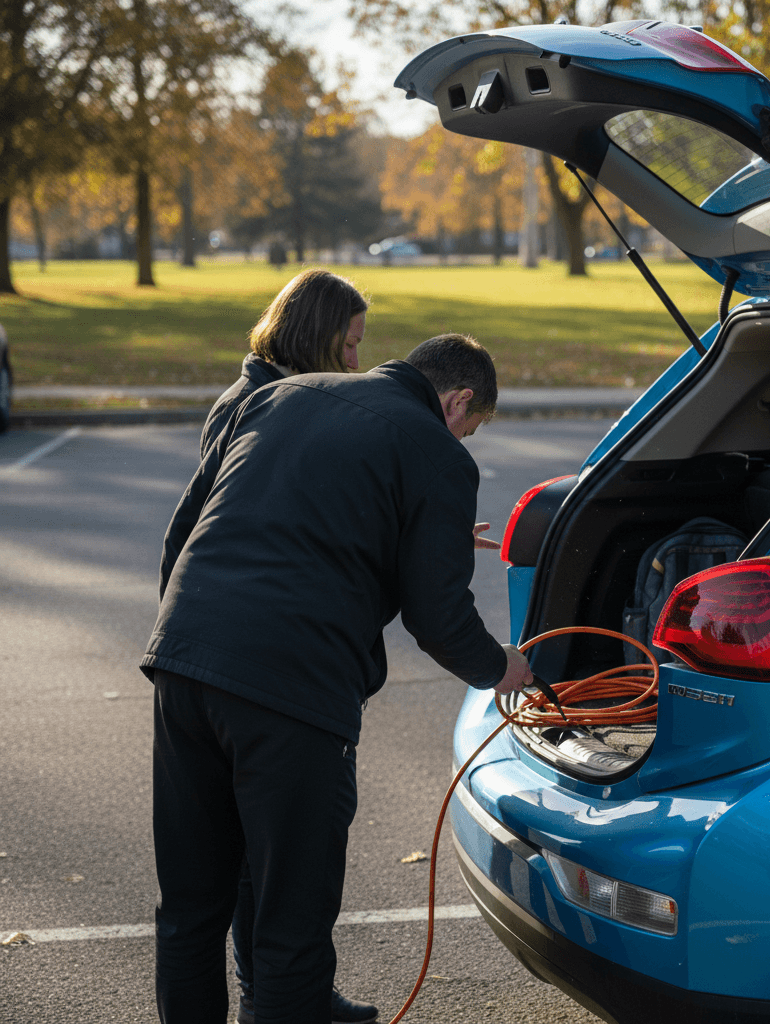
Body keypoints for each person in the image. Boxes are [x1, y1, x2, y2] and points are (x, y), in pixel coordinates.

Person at [142, 333, 532, 1024]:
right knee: (291, 920)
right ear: (459, 399)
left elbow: (187, 531)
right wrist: (500, 667)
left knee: (190, 910)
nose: (463, 441)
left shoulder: (280, 396)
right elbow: (437, 616)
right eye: (469, 429)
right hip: (292, 690)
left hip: (183, 658)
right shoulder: (436, 452)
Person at [198, 268, 372, 1024]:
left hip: (232, 663)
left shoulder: (260, 398)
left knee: (263, 860)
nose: (361, 362)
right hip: (272, 672)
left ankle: (282, 994)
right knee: (280, 860)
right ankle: (277, 998)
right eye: (353, 343)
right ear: (318, 337)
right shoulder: (263, 406)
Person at [200, 268, 367, 461]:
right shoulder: (239, 410)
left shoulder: (312, 400)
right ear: (314, 334)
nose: (354, 364)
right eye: (349, 345)